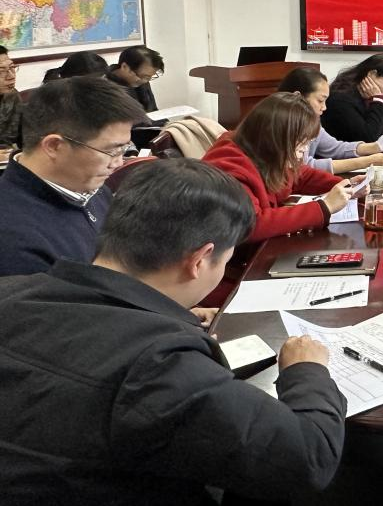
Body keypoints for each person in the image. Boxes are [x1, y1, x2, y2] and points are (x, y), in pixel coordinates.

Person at [0, 158, 347, 504]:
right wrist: (306, 370)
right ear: (200, 260)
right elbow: (310, 458)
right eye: (225, 260)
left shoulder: (13, 292)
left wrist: (167, 318)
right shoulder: (161, 366)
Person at [0, 77, 146, 276]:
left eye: (124, 149)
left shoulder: (92, 189)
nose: (118, 163)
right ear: (54, 146)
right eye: (111, 151)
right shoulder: (13, 240)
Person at [203, 92, 354, 241]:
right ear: (274, 138)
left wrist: (344, 186)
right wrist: (324, 207)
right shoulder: (230, 168)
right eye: (301, 142)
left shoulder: (265, 153)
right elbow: (252, 225)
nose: (304, 149)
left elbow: (299, 174)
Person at [278, 66, 383, 173]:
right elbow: (302, 167)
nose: (324, 107)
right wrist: (367, 161)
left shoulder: (311, 120)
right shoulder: (280, 122)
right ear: (297, 97)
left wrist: (376, 146)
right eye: (320, 100)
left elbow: (334, 147)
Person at [322, 53, 383, 142]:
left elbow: (380, 130)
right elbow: (368, 138)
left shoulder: (367, 97)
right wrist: (378, 102)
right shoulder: (340, 98)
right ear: (372, 74)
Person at [106, 44, 164, 112]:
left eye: (149, 77)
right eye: (143, 76)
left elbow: (153, 109)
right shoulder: (105, 89)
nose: (145, 81)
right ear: (124, 67)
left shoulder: (142, 79)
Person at [0, 44, 21, 147]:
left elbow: (24, 135)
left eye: (12, 67)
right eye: (1, 71)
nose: (11, 76)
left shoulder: (12, 96)